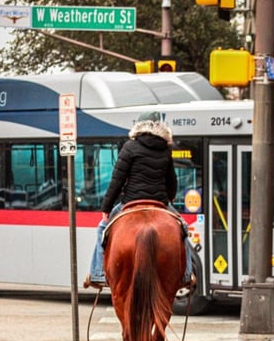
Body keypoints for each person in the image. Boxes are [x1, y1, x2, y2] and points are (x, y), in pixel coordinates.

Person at [83, 111, 194, 289]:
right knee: (183, 229)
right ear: (160, 127)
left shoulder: (130, 147)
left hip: (131, 200)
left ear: (139, 126)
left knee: (102, 228)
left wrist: (106, 207)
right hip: (160, 201)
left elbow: (117, 180)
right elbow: (172, 180)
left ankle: (98, 273)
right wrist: (169, 199)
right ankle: (187, 275)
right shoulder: (165, 149)